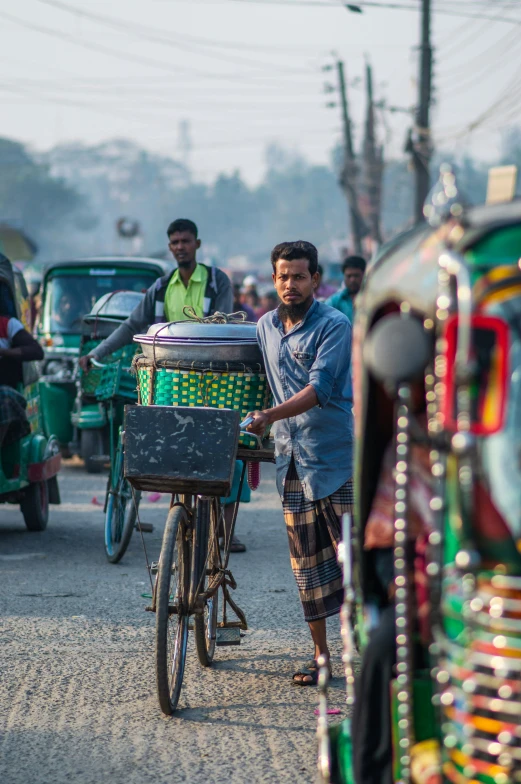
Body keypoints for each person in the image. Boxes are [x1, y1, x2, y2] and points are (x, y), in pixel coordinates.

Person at [79, 218, 246, 552]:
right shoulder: (162, 286)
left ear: (197, 244)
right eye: (175, 242)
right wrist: (96, 352)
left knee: (229, 448)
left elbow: (223, 324)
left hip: (214, 377)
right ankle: (173, 513)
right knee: (164, 443)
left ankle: (226, 528)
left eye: (186, 241)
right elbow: (131, 326)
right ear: (170, 247)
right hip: (170, 380)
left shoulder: (217, 282)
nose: (181, 247)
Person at [246, 240, 353, 684]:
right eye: (283, 276)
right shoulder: (265, 326)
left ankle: (383, 654)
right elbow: (259, 382)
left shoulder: (335, 324)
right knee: (306, 568)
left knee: (355, 562)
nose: (290, 284)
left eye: (299, 276)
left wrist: (269, 415)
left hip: (334, 462)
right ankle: (322, 658)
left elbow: (319, 388)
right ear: (274, 279)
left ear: (315, 280)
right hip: (290, 463)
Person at [0, 254, 44, 448]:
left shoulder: (6, 324)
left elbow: (36, 351)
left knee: (6, 399)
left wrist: (5, 352)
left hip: (3, 387)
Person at [325, 255, 366, 322]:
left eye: (356, 275)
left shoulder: (373, 299)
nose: (352, 280)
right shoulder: (335, 301)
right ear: (344, 276)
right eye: (349, 276)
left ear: (364, 275)